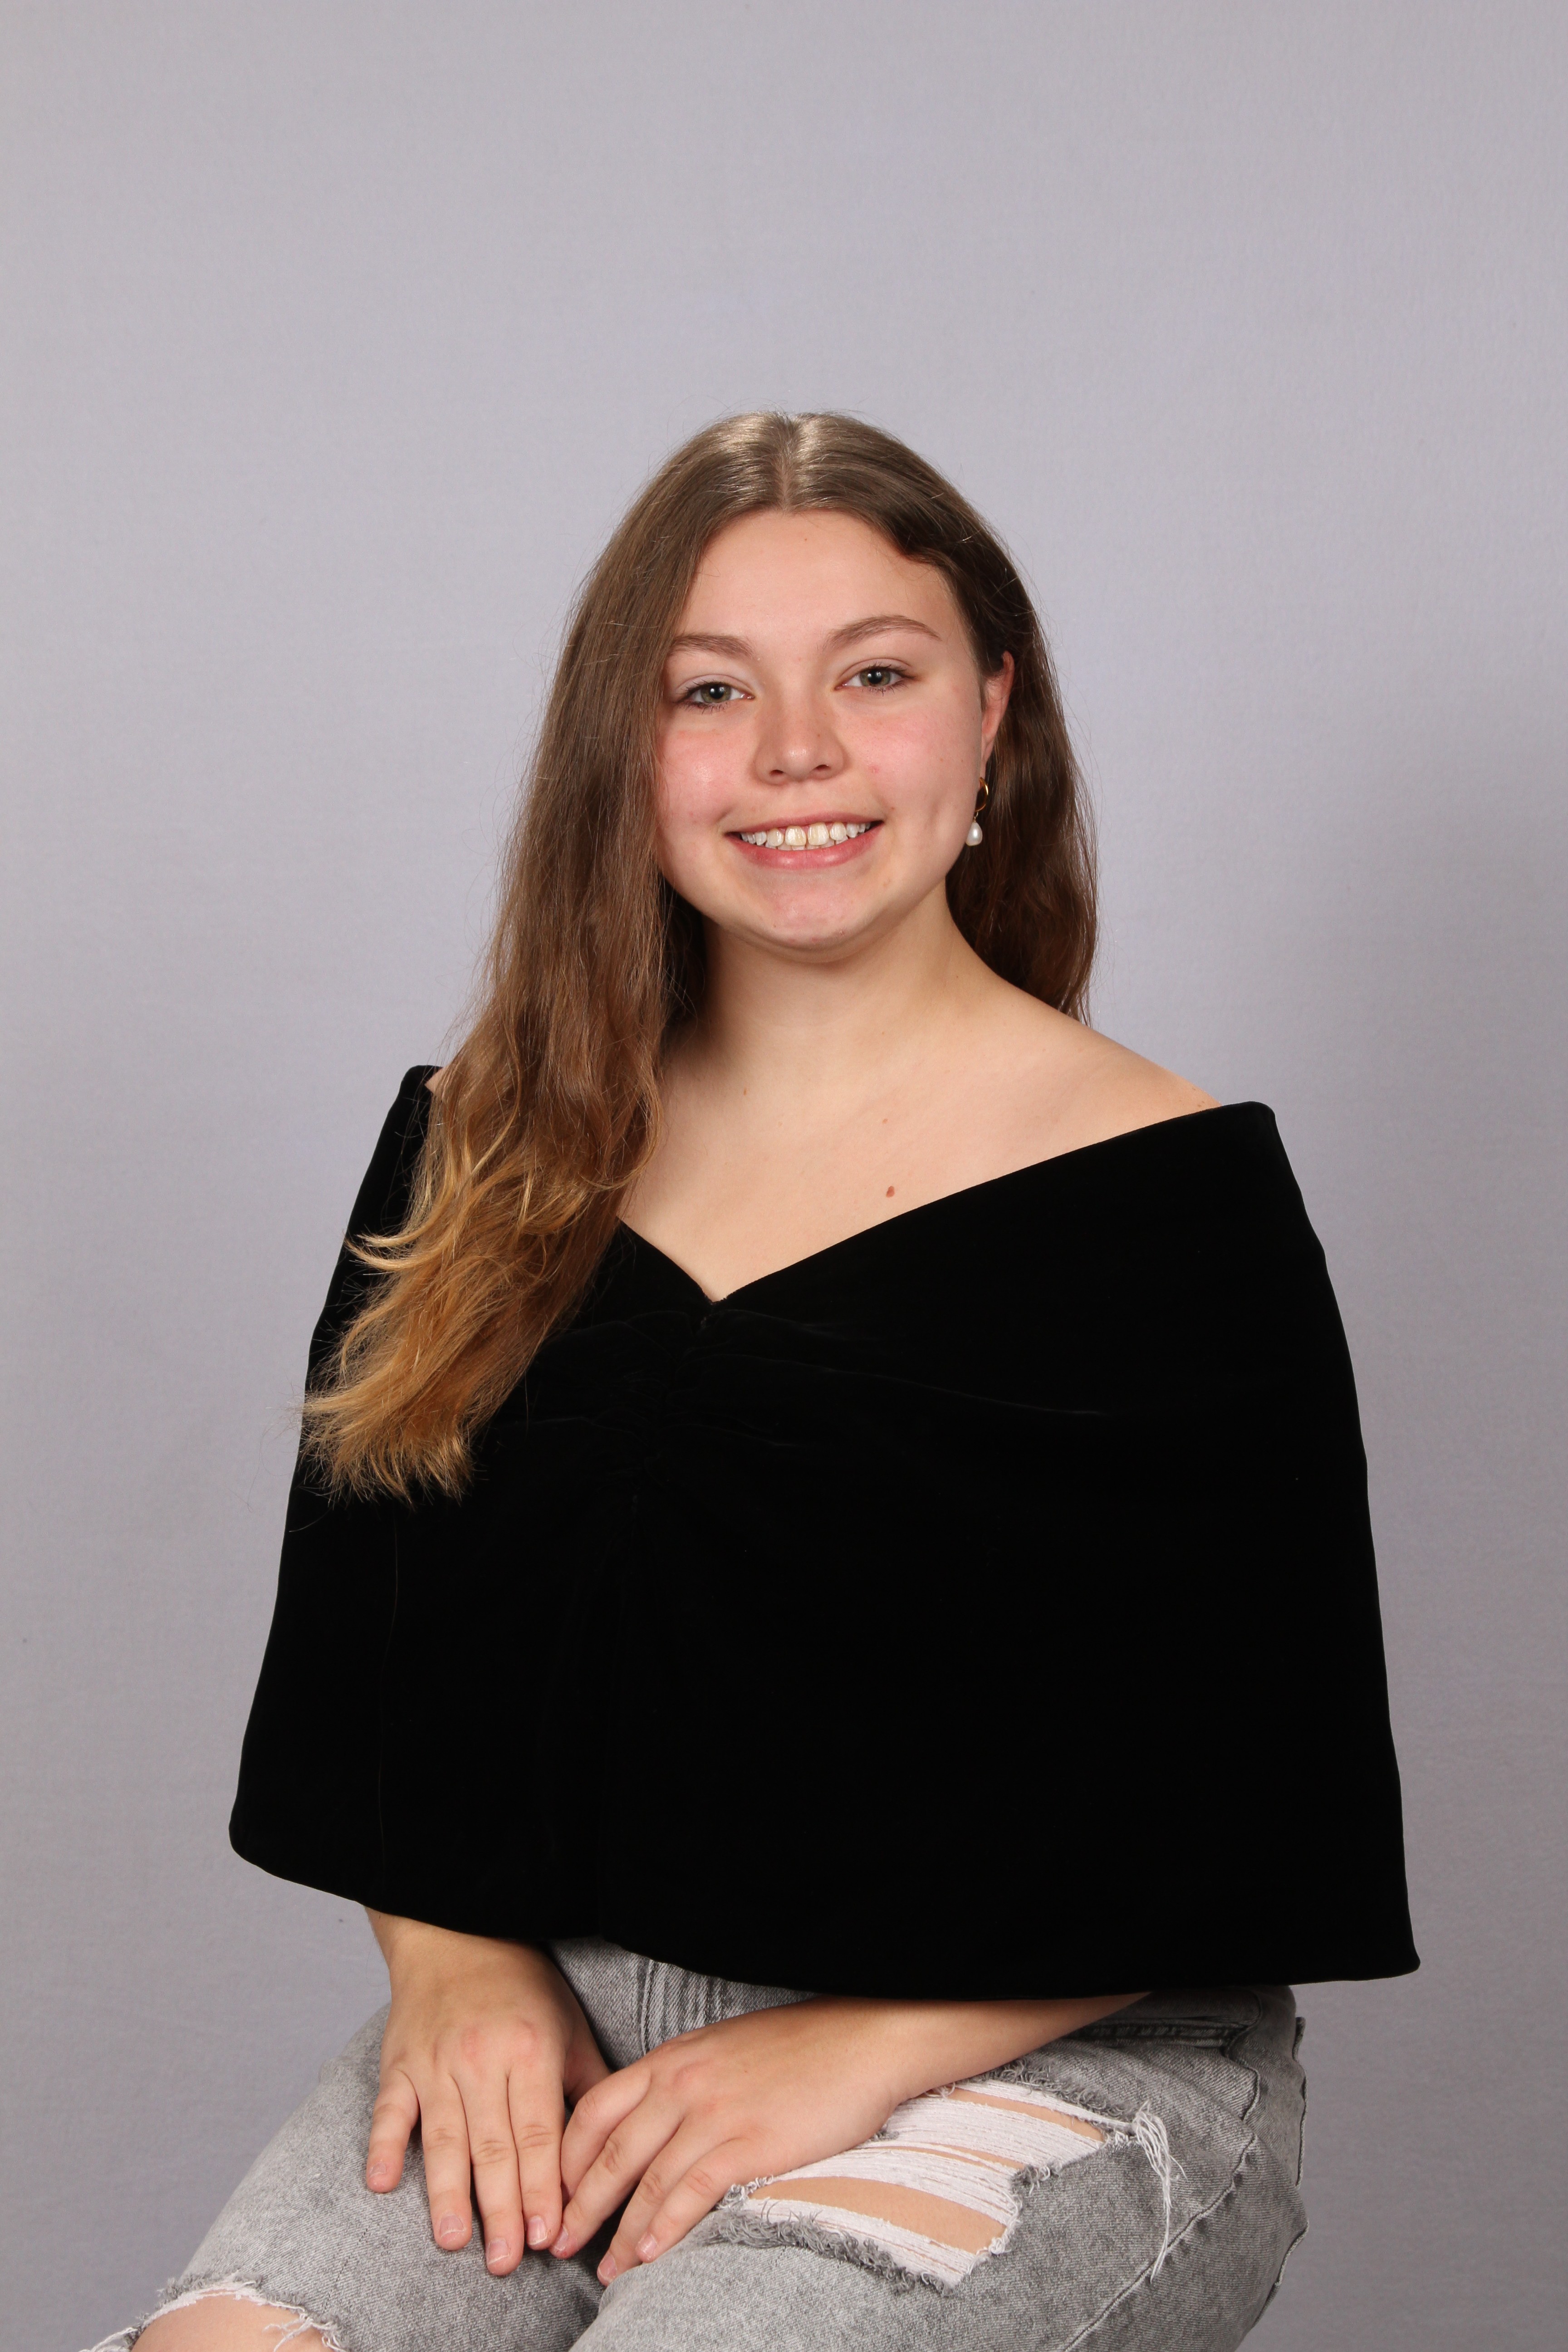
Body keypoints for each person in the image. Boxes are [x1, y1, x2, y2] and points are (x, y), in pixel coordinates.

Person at [103, 412, 1416, 2352]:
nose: (797, 749)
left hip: (1043, 2057)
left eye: (875, 675)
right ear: (621, 754)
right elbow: (374, 1679)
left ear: (993, 714)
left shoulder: (1166, 1198)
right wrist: (452, 1968)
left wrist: (856, 2049)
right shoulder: (490, 1145)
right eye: (709, 690)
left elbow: (1264, 1795)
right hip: (571, 2026)